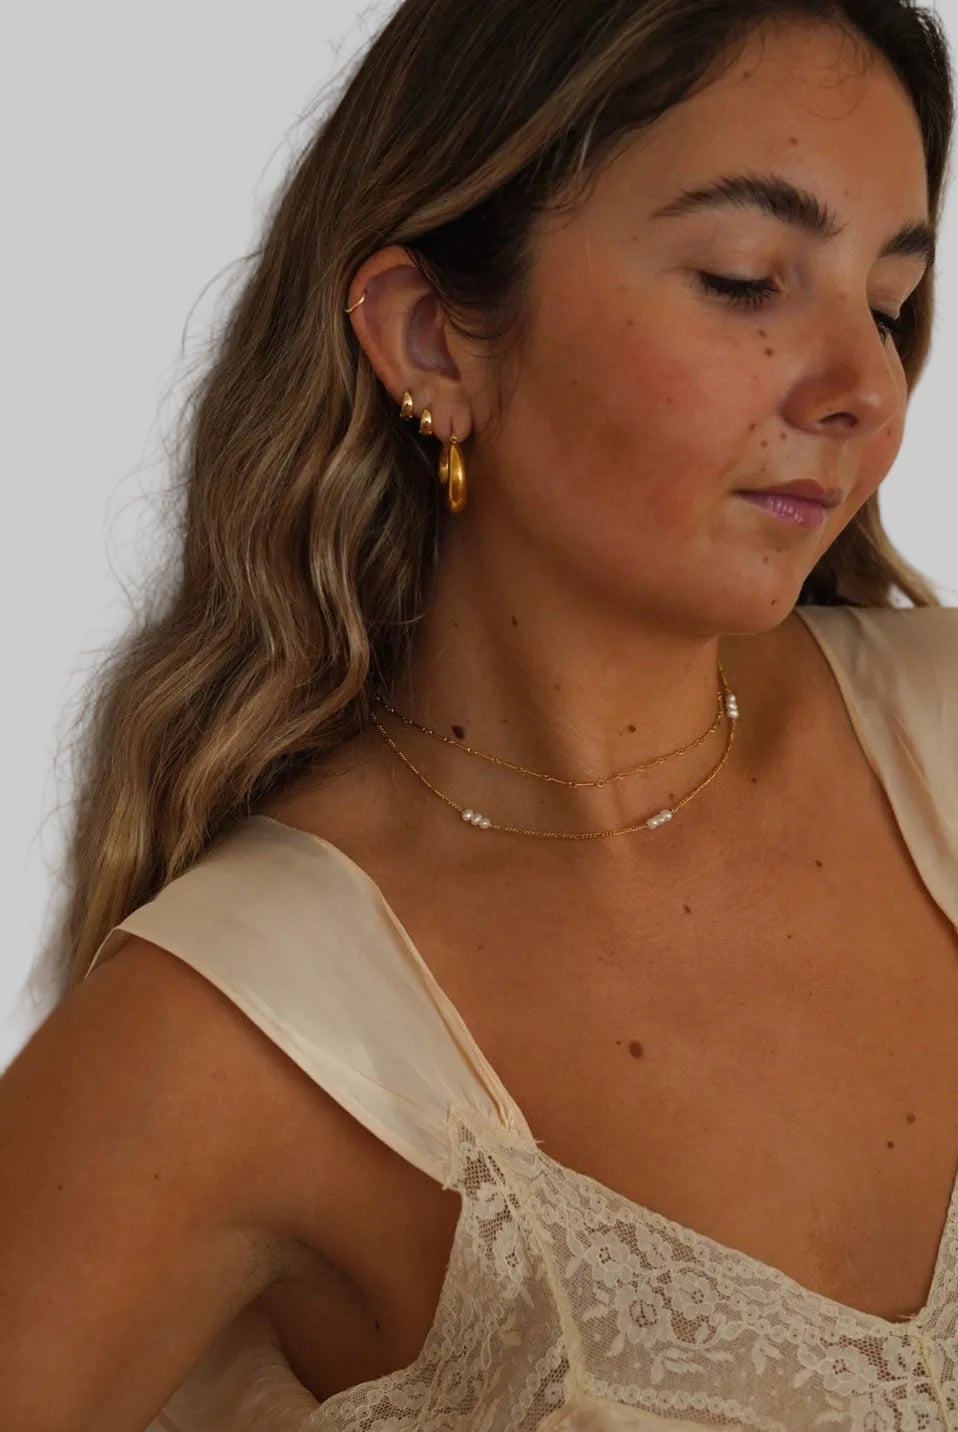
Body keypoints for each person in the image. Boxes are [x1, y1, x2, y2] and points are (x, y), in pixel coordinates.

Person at [2, 0, 957, 1427]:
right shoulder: (240, 1036)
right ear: (431, 337)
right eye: (746, 279)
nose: (864, 385)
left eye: (886, 301)